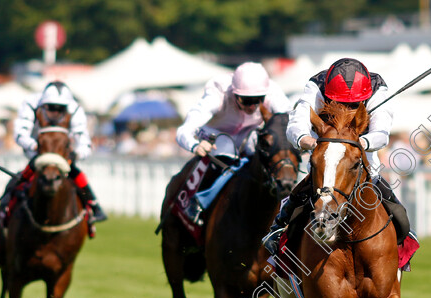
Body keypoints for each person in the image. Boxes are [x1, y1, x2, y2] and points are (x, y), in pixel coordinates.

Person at [262, 58, 414, 255]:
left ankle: (404, 244)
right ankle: (278, 233)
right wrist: (306, 140)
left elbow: (382, 134)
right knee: (295, 205)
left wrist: (357, 144)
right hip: (324, 166)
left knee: (400, 216)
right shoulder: (316, 85)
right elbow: (296, 123)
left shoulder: (378, 89)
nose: (346, 109)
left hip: (362, 165)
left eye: (353, 105)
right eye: (341, 103)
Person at [174, 62, 292, 222]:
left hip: (249, 133)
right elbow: (184, 130)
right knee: (226, 151)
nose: (252, 106)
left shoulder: (272, 92)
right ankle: (200, 201)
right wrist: (194, 145)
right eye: (246, 100)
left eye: (257, 100)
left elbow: (291, 120)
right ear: (234, 93)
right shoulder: (218, 95)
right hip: (215, 134)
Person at [7, 80, 107, 235]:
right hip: (38, 151)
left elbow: (84, 142)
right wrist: (35, 146)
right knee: (18, 181)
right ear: (43, 104)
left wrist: (76, 154)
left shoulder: (75, 108)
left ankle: (93, 205)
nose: (56, 112)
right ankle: (7, 208)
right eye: (51, 107)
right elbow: (20, 135)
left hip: (62, 154)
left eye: (60, 108)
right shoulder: (30, 104)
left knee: (74, 171)